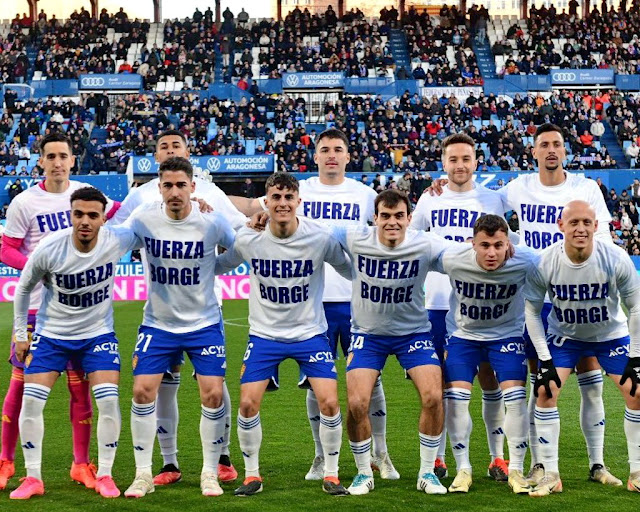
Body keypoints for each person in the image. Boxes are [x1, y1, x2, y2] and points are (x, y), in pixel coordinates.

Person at [428, 123, 618, 486]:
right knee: (538, 383)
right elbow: (479, 203)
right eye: (543, 144)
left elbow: (603, 238)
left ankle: (597, 464)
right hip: (535, 299)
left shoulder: (585, 188)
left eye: (557, 144)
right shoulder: (516, 189)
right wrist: (441, 186)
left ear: (566, 150)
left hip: (576, 298)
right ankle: (538, 463)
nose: (551, 150)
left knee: (591, 381)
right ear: (532, 151)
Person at [249, 129, 396, 481]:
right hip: (311, 305)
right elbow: (253, 208)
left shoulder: (365, 195)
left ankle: (381, 453)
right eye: (325, 150)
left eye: (338, 149)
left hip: (358, 300)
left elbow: (393, 224)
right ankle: (320, 456)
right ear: (314, 157)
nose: (331, 155)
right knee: (317, 384)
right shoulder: (300, 191)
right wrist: (221, 204)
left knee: (370, 381)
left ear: (348, 156)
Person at [111, 130, 245, 485]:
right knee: (147, 391)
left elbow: (238, 246)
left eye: (180, 185)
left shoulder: (211, 214)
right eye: (167, 185)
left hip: (203, 320)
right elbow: (115, 236)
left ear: (192, 186)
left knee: (214, 390)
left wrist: (213, 267)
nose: (174, 191)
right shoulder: (141, 212)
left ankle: (214, 466)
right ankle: (157, 468)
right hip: (159, 322)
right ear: (159, 185)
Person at [215, 172, 351, 496]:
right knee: (248, 404)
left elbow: (349, 269)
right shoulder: (249, 239)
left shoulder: (319, 237)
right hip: (265, 335)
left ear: (298, 202)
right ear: (267, 201)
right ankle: (252, 476)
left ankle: (330, 473)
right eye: (276, 197)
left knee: (330, 402)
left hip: (310, 333)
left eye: (289, 198)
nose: (282, 204)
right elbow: (221, 265)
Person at [0, 132, 120, 491]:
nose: (57, 162)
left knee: (80, 389)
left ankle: (81, 464)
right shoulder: (25, 202)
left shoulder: (84, 195)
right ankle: (6, 461)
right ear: (40, 160)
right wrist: (38, 269)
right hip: (37, 307)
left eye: (62, 156)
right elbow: (6, 248)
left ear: (72, 159)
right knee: (20, 386)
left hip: (79, 312)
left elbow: (121, 215)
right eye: (50, 156)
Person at [9, 187, 139, 499]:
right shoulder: (50, 247)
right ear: (71, 214)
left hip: (97, 336)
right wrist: (21, 334)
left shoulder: (118, 239)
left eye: (93, 215)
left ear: (103, 218)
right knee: (31, 401)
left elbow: (152, 221)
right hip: (52, 337)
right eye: (78, 213)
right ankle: (33, 478)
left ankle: (105, 474)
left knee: (108, 401)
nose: (84, 220)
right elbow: (24, 287)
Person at [335, 190, 450, 496]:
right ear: (375, 218)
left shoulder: (425, 242)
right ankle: (363, 472)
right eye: (385, 216)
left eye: (399, 216)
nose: (392, 222)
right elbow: (312, 229)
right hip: (367, 335)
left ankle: (427, 472)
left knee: (433, 397)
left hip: (413, 334)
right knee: (357, 403)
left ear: (409, 219)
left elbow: (462, 254)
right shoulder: (356, 237)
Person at [411, 133, 510, 481]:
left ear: (476, 161)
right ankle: (438, 457)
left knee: (489, 380)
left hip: (482, 304)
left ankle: (498, 458)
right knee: (438, 384)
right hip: (436, 303)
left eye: (466, 159)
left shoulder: (494, 199)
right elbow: (411, 239)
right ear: (443, 162)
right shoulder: (429, 199)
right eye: (453, 159)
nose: (459, 165)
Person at [524, 200, 640, 496]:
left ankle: (636, 471)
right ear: (561, 226)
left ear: (596, 226)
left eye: (586, 222)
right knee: (544, 390)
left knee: (637, 391)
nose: (580, 228)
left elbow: (636, 308)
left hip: (609, 337)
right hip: (565, 337)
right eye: (573, 222)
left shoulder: (615, 257)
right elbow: (531, 311)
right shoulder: (545, 261)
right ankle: (551, 473)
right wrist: (545, 359)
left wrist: (636, 356)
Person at [438, 215, 538, 494]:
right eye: (484, 245)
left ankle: (515, 468)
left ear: (508, 243)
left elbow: (555, 265)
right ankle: (463, 469)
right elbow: (423, 248)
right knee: (457, 400)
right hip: (463, 337)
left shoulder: (527, 259)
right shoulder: (453, 257)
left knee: (516, 399)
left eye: (499, 245)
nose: (492, 253)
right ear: (473, 243)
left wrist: (516, 241)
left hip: (506, 337)